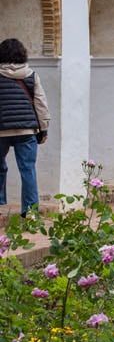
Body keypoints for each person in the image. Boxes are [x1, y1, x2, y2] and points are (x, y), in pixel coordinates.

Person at [0, 37, 49, 217]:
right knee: (27, 169)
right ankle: (30, 212)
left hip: (1, 130)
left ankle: (0, 203)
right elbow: (41, 104)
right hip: (27, 130)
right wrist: (43, 129)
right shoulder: (31, 75)